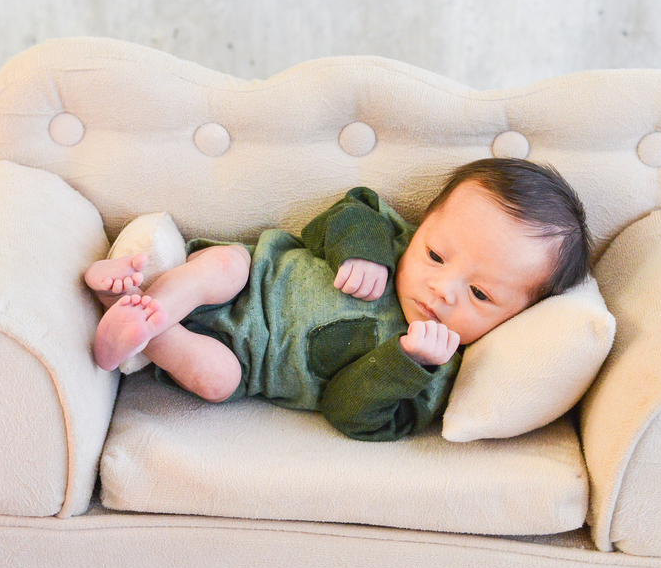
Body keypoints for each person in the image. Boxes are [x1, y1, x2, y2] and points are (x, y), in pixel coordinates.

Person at [83, 158, 592, 441]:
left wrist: (407, 362)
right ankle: (152, 305)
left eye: (480, 294)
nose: (443, 288)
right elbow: (344, 213)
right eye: (436, 255)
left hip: (243, 358)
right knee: (222, 265)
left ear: (518, 316)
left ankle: (136, 321)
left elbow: (348, 413)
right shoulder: (389, 239)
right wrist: (361, 251)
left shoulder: (432, 376)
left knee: (217, 381)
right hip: (249, 279)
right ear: (423, 226)